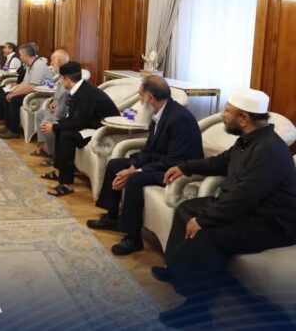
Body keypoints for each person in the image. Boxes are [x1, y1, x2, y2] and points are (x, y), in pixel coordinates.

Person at [155, 89, 296, 328]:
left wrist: (205, 220)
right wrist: (185, 167)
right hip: (249, 210)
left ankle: (199, 312)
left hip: (272, 223)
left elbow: (244, 197)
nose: (222, 114)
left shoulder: (269, 150)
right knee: (186, 209)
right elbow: (220, 162)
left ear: (244, 119)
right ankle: (177, 268)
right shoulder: (249, 139)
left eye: (228, 111)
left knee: (206, 234)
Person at [87, 76, 203, 255]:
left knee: (134, 180)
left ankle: (133, 238)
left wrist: (138, 171)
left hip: (177, 171)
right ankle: (112, 217)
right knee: (115, 165)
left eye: (141, 95)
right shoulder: (159, 112)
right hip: (160, 163)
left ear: (150, 98)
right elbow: (149, 148)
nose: (139, 98)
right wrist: (133, 166)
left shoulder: (179, 118)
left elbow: (174, 160)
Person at [41, 62, 120, 196]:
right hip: (89, 125)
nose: (61, 82)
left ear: (67, 79)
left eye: (61, 79)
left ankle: (67, 184)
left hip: (103, 131)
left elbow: (78, 123)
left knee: (66, 136)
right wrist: (56, 124)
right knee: (60, 130)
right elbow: (73, 117)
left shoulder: (86, 94)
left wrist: (54, 126)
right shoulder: (80, 89)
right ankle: (60, 172)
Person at [0, 43, 53, 139]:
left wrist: (14, 94)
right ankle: (8, 126)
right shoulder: (29, 65)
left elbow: (32, 87)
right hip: (31, 91)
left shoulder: (38, 66)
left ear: (25, 55)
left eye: (20, 55)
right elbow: (24, 83)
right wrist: (13, 91)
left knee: (14, 100)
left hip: (38, 94)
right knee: (6, 94)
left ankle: (14, 131)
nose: (20, 57)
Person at [31, 50, 70, 162]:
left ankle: (52, 153)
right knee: (40, 114)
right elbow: (58, 94)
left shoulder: (68, 77)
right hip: (57, 109)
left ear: (60, 62)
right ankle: (45, 146)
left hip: (64, 114)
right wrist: (53, 101)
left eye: (53, 60)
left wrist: (55, 111)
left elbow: (66, 101)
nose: (51, 63)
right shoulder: (61, 75)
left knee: (46, 122)